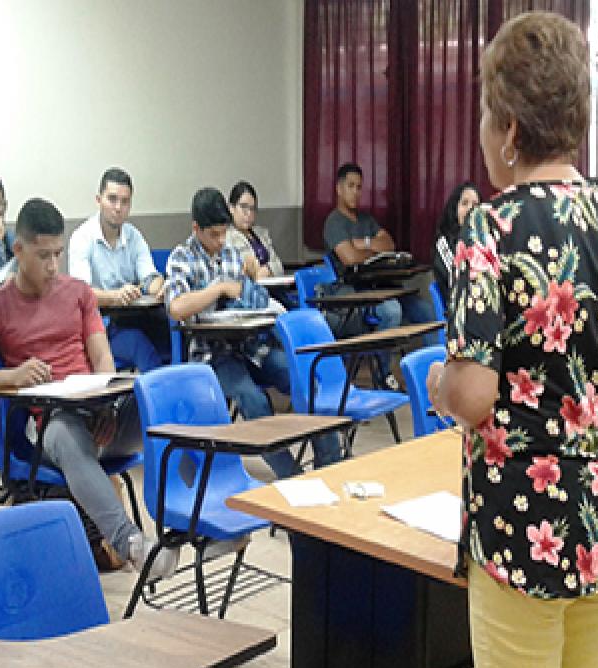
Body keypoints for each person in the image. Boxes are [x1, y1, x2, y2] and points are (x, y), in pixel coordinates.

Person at [425, 12, 598, 668]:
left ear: (507, 129)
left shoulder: (489, 232)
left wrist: (439, 379)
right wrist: (582, 391)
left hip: (520, 526)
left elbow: (472, 396)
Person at [0, 197, 180, 578]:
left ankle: (195, 520)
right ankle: (133, 545)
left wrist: (108, 407)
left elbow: (103, 360)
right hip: (50, 425)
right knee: (67, 436)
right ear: (18, 251)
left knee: (160, 399)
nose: (53, 266)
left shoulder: (79, 294)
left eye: (58, 254)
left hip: (97, 412)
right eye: (43, 256)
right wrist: (9, 377)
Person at [165, 188, 342, 478]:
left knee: (301, 375)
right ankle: (291, 475)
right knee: (254, 399)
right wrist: (218, 289)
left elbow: (258, 298)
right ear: (196, 228)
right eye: (213, 235)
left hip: (250, 346)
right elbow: (177, 307)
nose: (221, 241)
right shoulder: (182, 258)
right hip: (212, 355)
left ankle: (331, 462)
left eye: (224, 233)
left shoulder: (234, 255)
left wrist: (249, 284)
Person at [322, 162, 437, 384]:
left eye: (359, 187)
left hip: (383, 284)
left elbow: (389, 243)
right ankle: (383, 373)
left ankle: (438, 375)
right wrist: (370, 247)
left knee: (425, 310)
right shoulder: (334, 222)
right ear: (338, 188)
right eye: (351, 186)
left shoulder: (366, 220)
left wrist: (362, 243)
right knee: (392, 312)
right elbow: (350, 258)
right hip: (356, 292)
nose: (356, 192)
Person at [69, 167, 169, 372]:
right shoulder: (82, 238)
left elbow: (149, 277)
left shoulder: (134, 236)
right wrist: (114, 296)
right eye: (112, 199)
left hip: (135, 318)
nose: (118, 207)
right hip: (100, 328)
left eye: (125, 202)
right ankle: (157, 401)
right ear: (99, 200)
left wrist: (161, 286)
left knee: (176, 332)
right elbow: (81, 293)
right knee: (139, 344)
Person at [432, 181, 480, 311]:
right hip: (458, 311)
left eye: (475, 205)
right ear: (454, 209)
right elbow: (457, 283)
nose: (470, 209)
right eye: (464, 203)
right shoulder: (444, 244)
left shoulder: (484, 241)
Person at [226, 181, 284, 278]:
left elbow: (279, 265)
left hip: (273, 286)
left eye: (252, 208)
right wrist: (256, 274)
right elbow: (239, 272)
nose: (248, 213)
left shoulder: (261, 233)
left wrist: (268, 270)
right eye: (244, 207)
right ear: (231, 208)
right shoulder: (227, 237)